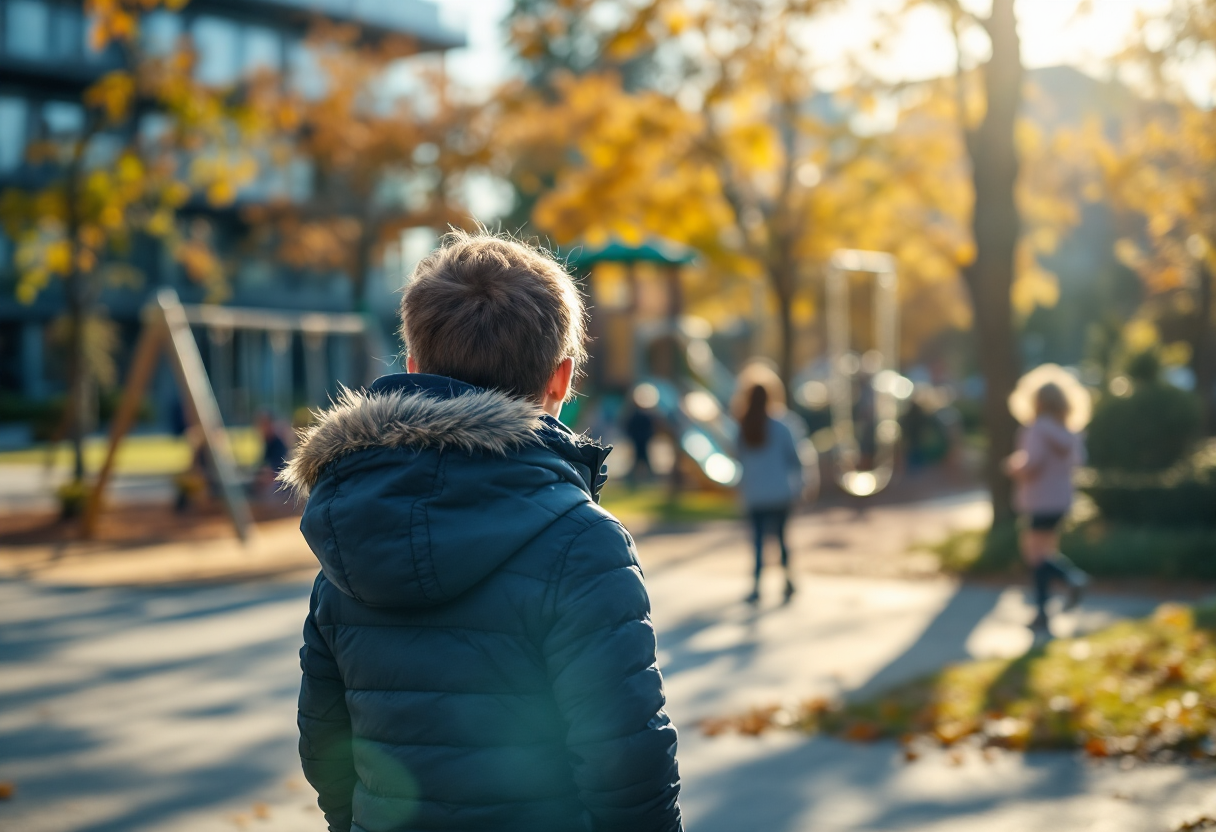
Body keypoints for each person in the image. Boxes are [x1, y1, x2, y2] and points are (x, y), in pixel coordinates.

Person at [279, 231, 683, 832]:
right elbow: (627, 760)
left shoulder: (350, 522)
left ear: (413, 367)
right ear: (561, 382)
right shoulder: (584, 543)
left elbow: (323, 737)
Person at [1004, 367, 1091, 634]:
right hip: (1061, 500)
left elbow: (1032, 463)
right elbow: (1078, 462)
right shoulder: (1069, 432)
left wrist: (1013, 467)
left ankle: (1068, 583)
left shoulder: (1037, 429)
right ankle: (1045, 610)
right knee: (1045, 553)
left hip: (1039, 499)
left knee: (1036, 556)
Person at [735, 380, 805, 604]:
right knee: (782, 539)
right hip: (779, 492)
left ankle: (756, 587)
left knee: (757, 543)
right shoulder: (782, 426)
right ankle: (788, 581)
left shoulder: (744, 427)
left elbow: (738, 458)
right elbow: (795, 458)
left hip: (755, 493)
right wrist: (802, 485)